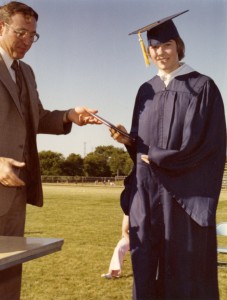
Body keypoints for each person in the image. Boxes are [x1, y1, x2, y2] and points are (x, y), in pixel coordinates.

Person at [110, 10, 226, 300]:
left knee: (184, 267)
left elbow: (207, 145)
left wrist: (157, 156)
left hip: (182, 195)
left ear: (178, 47)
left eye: (167, 45)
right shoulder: (145, 90)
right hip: (147, 195)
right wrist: (128, 141)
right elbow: (142, 147)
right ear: (147, 51)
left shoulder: (202, 87)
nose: (160, 52)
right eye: (154, 47)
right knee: (145, 261)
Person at [0, 2, 100, 299]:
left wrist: (69, 115)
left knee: (8, 276)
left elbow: (37, 118)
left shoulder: (27, 73)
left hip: (14, 193)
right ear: (0, 27)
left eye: (33, 35)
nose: (27, 41)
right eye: (21, 32)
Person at [101, 214, 129, 279]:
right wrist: (131, 243)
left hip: (146, 238)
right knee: (119, 248)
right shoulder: (128, 212)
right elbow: (124, 232)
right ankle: (112, 273)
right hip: (130, 237)